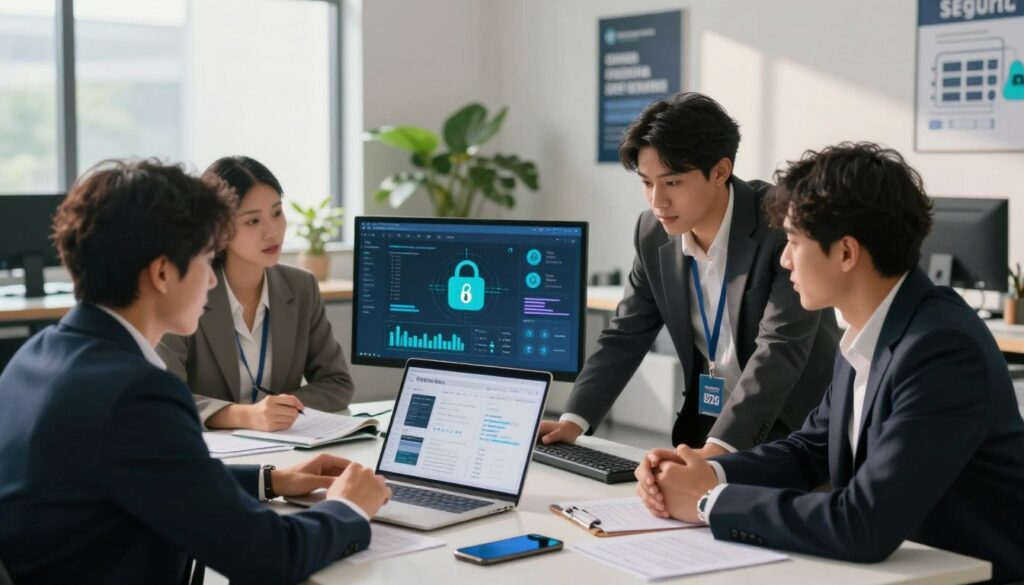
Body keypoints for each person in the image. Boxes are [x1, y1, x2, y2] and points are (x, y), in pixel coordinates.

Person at [635, 143, 1024, 584]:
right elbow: (809, 451)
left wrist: (709, 501)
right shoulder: (869, 328)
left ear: (846, 253)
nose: (784, 259)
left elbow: (864, 523)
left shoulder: (941, 349)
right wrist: (707, 471)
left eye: (794, 242)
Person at [0, 159, 391, 584]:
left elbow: (153, 472)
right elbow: (269, 556)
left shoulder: (35, 355)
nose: (212, 281)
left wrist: (272, 479)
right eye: (206, 259)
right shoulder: (137, 395)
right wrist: (349, 508)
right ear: (162, 273)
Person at [539, 92, 840, 455]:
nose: (657, 201)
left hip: (798, 429)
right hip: (707, 430)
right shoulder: (652, 233)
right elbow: (626, 334)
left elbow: (780, 348)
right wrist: (573, 421)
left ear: (720, 171)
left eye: (672, 183)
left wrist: (716, 454)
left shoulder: (781, 224)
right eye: (646, 182)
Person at [158, 155, 354, 431]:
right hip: (205, 449)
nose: (272, 231)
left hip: (284, 444)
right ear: (219, 229)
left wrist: (281, 409)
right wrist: (244, 416)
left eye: (277, 213)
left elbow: (337, 383)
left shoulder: (301, 287)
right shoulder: (181, 293)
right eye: (253, 221)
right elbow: (164, 398)